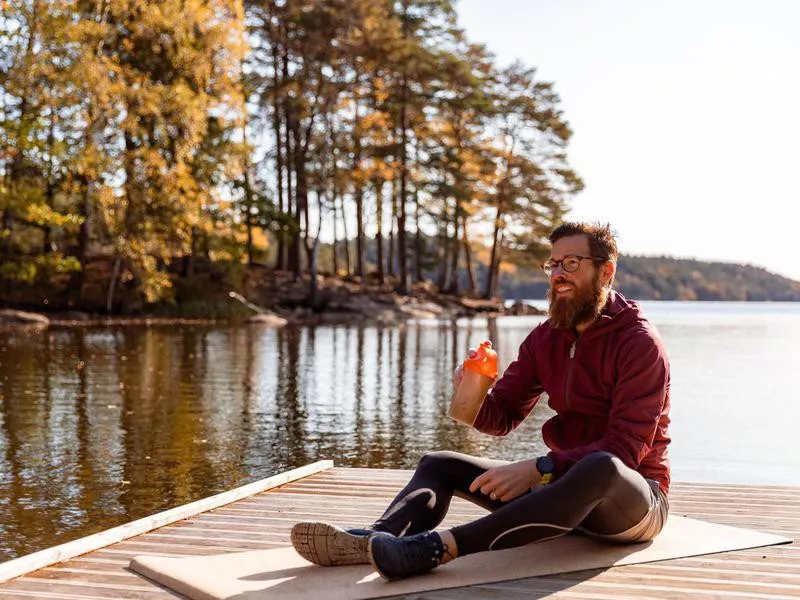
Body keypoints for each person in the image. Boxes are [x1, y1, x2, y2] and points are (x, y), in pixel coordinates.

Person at [291, 221, 671, 581]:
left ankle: (441, 548)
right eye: (553, 264)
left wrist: (541, 467)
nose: (559, 274)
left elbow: (624, 451)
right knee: (440, 463)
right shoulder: (546, 337)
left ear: (606, 272)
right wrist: (471, 391)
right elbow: (501, 418)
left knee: (600, 466)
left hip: (633, 502)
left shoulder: (639, 343)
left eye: (572, 263)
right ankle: (376, 539)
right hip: (561, 494)